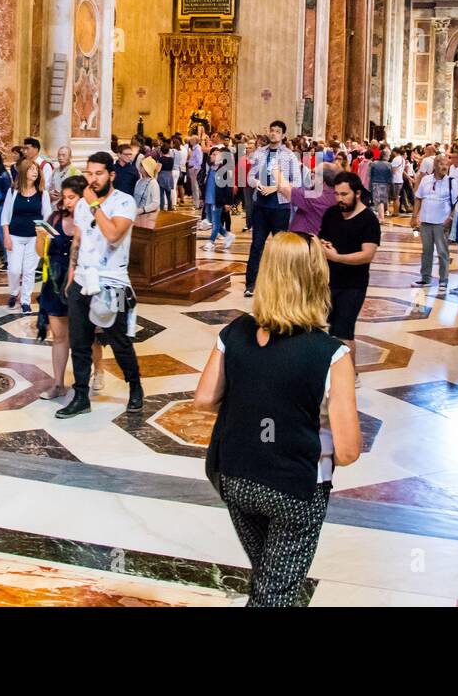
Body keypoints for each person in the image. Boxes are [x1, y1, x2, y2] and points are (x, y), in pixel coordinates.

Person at [194, 232, 360, 607]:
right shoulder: (330, 353)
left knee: (270, 578)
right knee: (276, 593)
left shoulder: (235, 331)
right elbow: (348, 451)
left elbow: (204, 398)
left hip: (235, 475)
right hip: (295, 487)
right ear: (317, 278)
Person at [57, 152, 144, 418]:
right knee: (80, 341)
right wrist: (71, 275)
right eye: (89, 173)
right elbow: (78, 240)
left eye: (98, 174)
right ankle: (81, 395)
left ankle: (135, 386)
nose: (92, 180)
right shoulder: (83, 204)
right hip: (83, 279)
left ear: (111, 175)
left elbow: (114, 235)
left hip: (113, 282)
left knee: (119, 340)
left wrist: (95, 205)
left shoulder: (124, 202)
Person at [36, 176, 95, 400]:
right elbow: (41, 253)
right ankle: (58, 384)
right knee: (59, 336)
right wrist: (40, 238)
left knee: (86, 337)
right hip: (54, 281)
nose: (68, 202)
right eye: (65, 197)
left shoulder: (92, 220)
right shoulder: (54, 218)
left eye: (73, 197)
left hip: (82, 281)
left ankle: (89, 379)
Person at [318, 172, 380, 359]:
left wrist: (336, 257)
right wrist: (322, 245)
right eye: (337, 194)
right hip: (328, 281)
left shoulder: (369, 219)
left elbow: (367, 255)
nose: (340, 199)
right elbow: (322, 237)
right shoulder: (331, 213)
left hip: (353, 284)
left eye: (344, 194)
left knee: (344, 332)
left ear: (357, 193)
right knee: (323, 328)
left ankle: (350, 374)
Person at [243, 121, 301, 298]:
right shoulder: (260, 153)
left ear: (283, 135)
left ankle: (282, 285)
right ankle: (251, 283)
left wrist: (276, 188)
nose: (274, 134)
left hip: (280, 207)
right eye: (272, 130)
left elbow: (297, 183)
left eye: (278, 131)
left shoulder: (290, 156)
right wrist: (259, 184)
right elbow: (250, 176)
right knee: (256, 245)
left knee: (281, 248)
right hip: (261, 206)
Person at [1, 158, 53, 313]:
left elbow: (47, 217)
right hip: (15, 236)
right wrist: (6, 236)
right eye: (31, 169)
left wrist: (44, 239)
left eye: (36, 170)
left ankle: (25, 300)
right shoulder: (13, 192)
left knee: (29, 270)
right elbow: (5, 216)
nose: (35, 172)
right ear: (23, 172)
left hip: (34, 238)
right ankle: (14, 291)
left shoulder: (43, 194)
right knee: (14, 269)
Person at [412, 154, 454, 291]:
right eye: (442, 164)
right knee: (426, 251)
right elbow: (418, 198)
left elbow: (456, 203)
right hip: (425, 221)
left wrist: (450, 218)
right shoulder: (425, 180)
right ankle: (425, 278)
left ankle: (443, 280)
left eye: (446, 165)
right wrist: (414, 216)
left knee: (442, 251)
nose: (444, 167)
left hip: (441, 222)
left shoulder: (451, 182)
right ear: (435, 165)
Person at [202, 146, 237, 250]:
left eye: (215, 155)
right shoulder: (211, 168)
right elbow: (207, 184)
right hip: (208, 199)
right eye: (212, 154)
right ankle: (227, 235)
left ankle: (211, 242)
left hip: (218, 200)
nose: (212, 156)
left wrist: (228, 203)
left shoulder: (224, 171)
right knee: (213, 221)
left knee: (215, 222)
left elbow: (228, 188)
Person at [367, 151, 393, 222]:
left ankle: (381, 217)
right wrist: (391, 186)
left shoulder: (373, 163)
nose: (389, 156)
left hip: (375, 183)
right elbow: (390, 176)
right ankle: (381, 216)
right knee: (382, 201)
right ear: (385, 156)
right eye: (389, 155)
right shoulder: (389, 164)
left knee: (378, 201)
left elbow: (370, 175)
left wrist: (369, 185)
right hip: (386, 184)